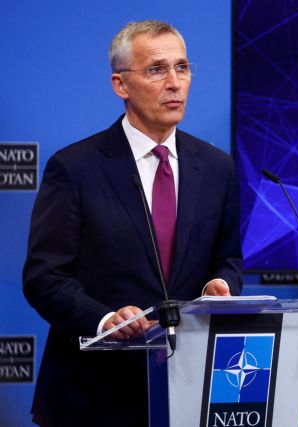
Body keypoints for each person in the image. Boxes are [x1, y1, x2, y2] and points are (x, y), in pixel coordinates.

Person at [22, 20, 242, 426]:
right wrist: (104, 320)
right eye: (157, 69)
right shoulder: (74, 168)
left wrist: (222, 285)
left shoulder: (217, 167)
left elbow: (227, 259)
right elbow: (44, 277)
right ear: (120, 85)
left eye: (182, 67)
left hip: (189, 392)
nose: (174, 83)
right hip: (93, 396)